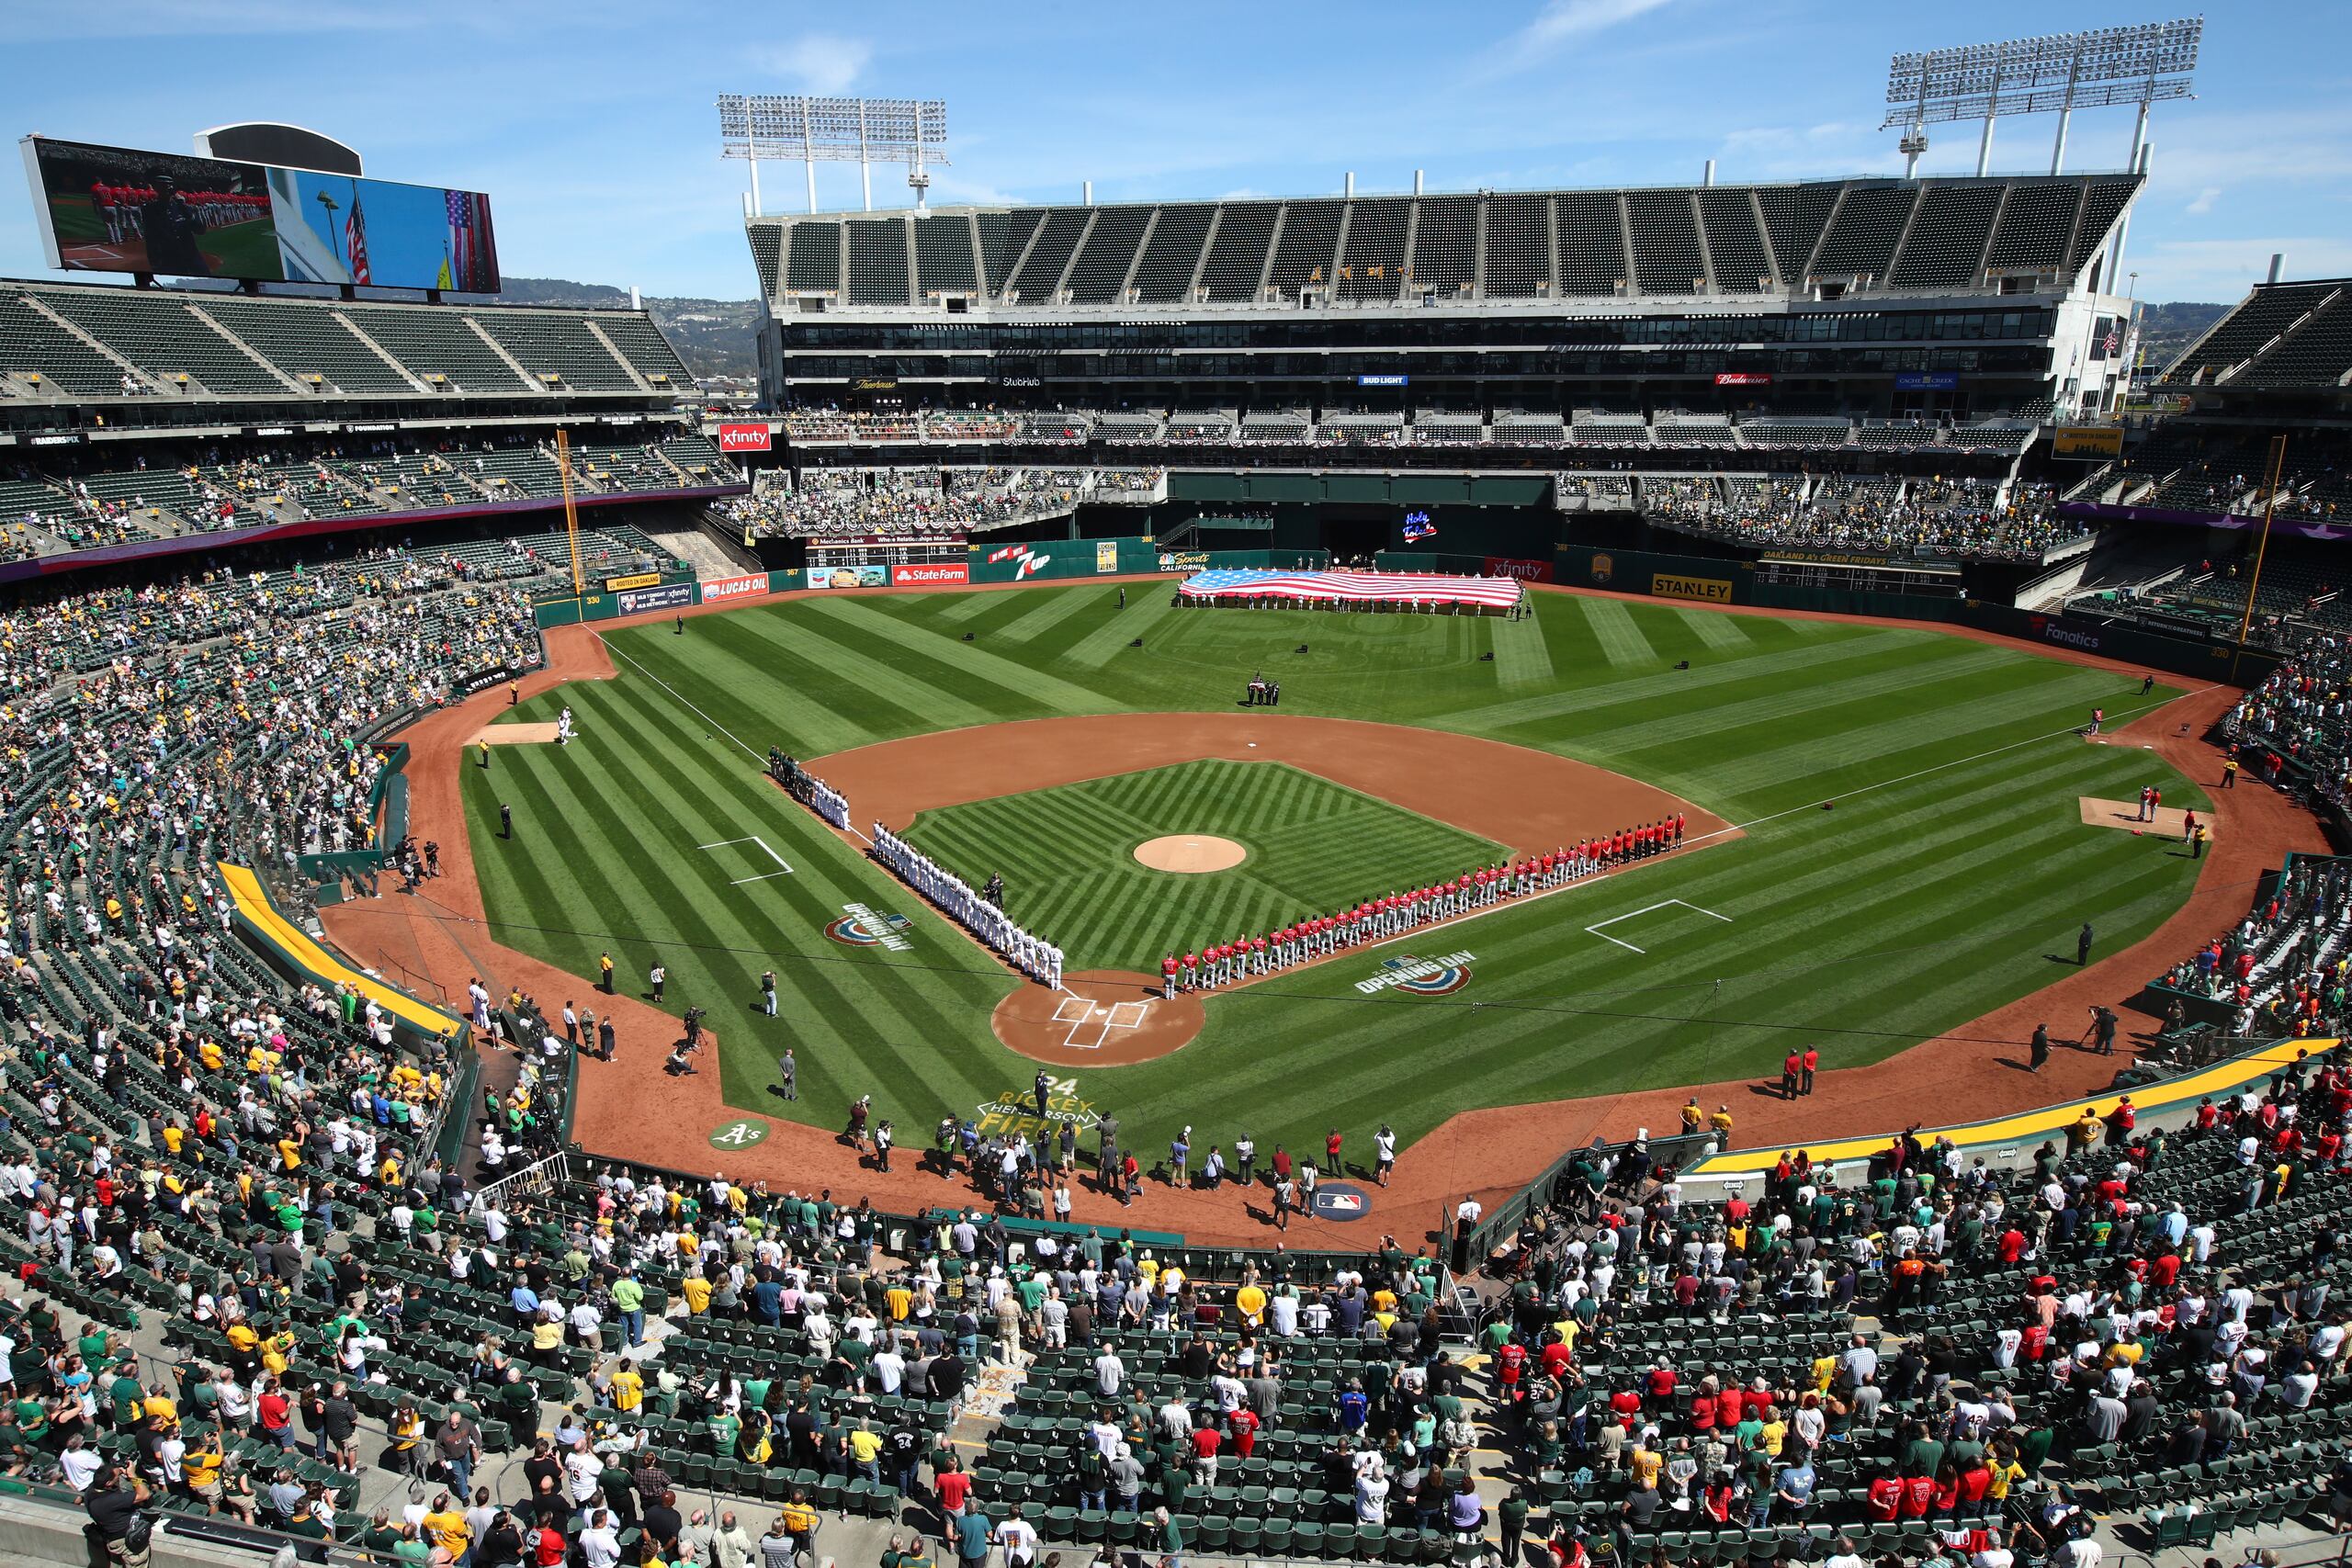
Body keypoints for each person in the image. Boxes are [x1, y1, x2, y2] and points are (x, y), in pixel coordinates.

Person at [85, 1465, 152, 1568]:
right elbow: (144, 1494)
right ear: (108, 1483)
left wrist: (116, 1475)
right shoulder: (110, 1501)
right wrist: (132, 1475)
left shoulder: (91, 1491)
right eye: (118, 1476)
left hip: (111, 1536)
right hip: (127, 1541)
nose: (120, 1476)